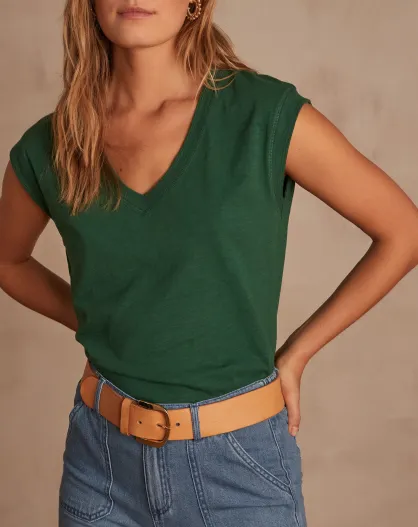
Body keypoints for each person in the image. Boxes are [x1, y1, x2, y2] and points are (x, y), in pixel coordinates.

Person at [1, 0, 417, 525]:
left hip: (238, 469)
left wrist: (297, 354)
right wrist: (102, 322)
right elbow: (8, 262)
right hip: (100, 466)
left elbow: (404, 232)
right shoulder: (52, 144)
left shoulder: (263, 115)